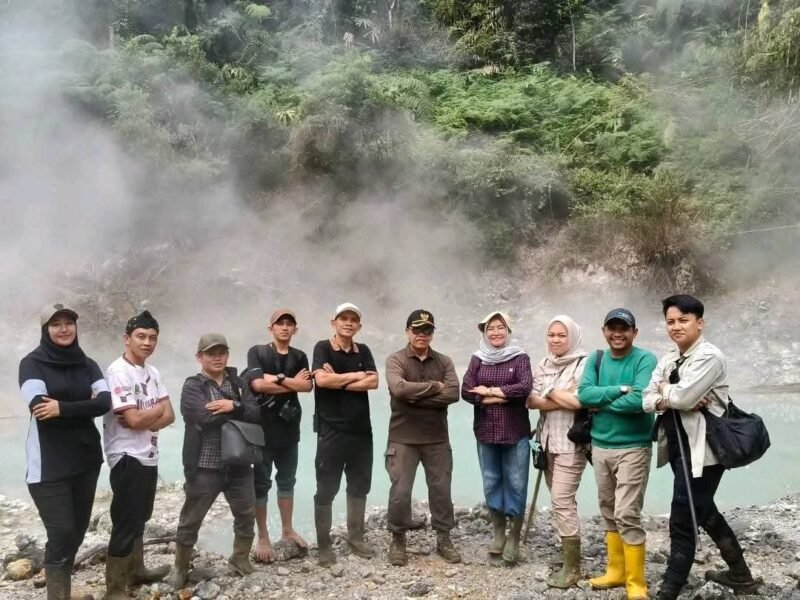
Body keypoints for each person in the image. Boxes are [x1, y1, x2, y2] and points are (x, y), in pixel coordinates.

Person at [643, 295, 760, 600]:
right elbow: (646, 400)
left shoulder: (710, 357)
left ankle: (670, 588)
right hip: (678, 445)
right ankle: (740, 575)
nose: (676, 326)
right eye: (670, 321)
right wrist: (674, 395)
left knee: (683, 515)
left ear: (699, 323)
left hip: (705, 451)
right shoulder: (669, 359)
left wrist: (666, 392)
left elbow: (677, 399)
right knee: (703, 508)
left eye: (683, 320)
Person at [18, 303, 112, 600]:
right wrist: (81, 406)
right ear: (46, 330)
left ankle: (63, 590)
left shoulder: (89, 364)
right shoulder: (31, 364)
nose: (63, 329)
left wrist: (62, 407)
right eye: (56, 324)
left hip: (85, 458)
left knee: (78, 530)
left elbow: (105, 403)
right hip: (48, 463)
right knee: (61, 532)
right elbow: (39, 406)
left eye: (68, 323)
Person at [170, 333, 262, 589]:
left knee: (246, 514)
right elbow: (201, 416)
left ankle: (240, 558)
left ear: (228, 355)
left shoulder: (240, 382)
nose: (217, 357)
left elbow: (256, 412)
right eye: (211, 353)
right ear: (199, 357)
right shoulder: (193, 385)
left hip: (240, 463)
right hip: (204, 465)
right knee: (191, 519)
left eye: (221, 352)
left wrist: (231, 405)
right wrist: (237, 410)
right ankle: (180, 567)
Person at [577, 308, 657, 600]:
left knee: (627, 512)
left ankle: (637, 582)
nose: (618, 333)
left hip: (633, 446)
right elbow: (584, 395)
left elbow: (640, 399)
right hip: (600, 446)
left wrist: (602, 401)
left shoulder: (645, 359)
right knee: (608, 508)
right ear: (604, 331)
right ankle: (616, 572)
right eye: (612, 328)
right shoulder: (596, 359)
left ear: (634, 332)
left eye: (624, 328)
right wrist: (620, 389)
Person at [103, 310, 175, 599]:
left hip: (148, 453)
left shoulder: (152, 372)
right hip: (126, 455)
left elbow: (170, 415)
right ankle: (115, 587)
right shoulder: (118, 371)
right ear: (127, 339)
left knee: (141, 516)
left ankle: (136, 570)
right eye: (141, 336)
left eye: (152, 338)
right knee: (125, 519)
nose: (147, 342)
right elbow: (132, 421)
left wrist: (150, 415)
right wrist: (154, 411)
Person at [384, 310, 461, 566]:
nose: (421, 334)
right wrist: (434, 387)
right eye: (416, 329)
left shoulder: (445, 361)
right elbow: (398, 389)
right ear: (407, 331)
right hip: (402, 437)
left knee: (441, 489)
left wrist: (413, 397)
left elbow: (452, 394)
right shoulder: (396, 359)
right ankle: (397, 538)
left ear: (432, 333)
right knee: (400, 490)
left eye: (427, 330)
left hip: (436, 438)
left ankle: (443, 537)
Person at [461, 311, 533, 566]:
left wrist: (491, 392)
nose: (495, 332)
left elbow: (525, 387)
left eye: (500, 327)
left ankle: (514, 535)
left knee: (515, 482)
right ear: (484, 332)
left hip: (515, 431)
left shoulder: (520, 357)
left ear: (508, 330)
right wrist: (503, 397)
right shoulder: (477, 359)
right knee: (492, 481)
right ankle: (499, 532)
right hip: (486, 431)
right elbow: (466, 391)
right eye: (490, 328)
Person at [311, 303, 379, 567]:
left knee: (359, 484)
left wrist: (338, 379)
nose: (348, 323)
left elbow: (373, 382)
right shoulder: (322, 348)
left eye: (353, 320)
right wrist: (355, 376)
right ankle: (324, 544)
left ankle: (356, 537)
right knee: (326, 487)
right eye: (343, 318)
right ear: (334, 322)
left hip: (361, 430)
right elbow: (321, 381)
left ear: (359, 326)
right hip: (331, 430)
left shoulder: (364, 350)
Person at [527, 315, 588, 588]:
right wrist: (559, 396)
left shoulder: (584, 364)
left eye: (561, 335)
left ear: (572, 336)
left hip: (571, 443)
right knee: (560, 499)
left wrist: (550, 392)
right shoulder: (543, 363)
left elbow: (579, 402)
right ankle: (570, 550)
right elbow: (531, 401)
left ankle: (573, 567)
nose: (555, 340)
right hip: (546, 441)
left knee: (562, 499)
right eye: (551, 335)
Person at [247, 308, 312, 562]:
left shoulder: (300, 356)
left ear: (295, 330)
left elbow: (306, 386)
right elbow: (256, 385)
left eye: (289, 324)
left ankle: (287, 529)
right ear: (270, 328)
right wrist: (288, 380)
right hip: (262, 430)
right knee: (261, 483)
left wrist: (274, 380)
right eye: (280, 323)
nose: (285, 327)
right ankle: (262, 535)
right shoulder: (258, 352)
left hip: (289, 429)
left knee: (287, 480)